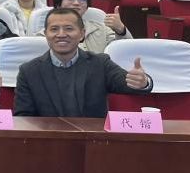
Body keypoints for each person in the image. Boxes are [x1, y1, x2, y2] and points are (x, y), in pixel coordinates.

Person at [13, 7, 152, 117]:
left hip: (93, 140)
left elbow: (129, 84)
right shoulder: (29, 71)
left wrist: (143, 82)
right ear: (46, 34)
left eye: (69, 28)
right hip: (48, 141)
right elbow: (23, 117)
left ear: (82, 34)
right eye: (54, 29)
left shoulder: (100, 64)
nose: (61, 34)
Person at [52, 0, 131, 54]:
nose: (76, 3)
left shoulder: (102, 30)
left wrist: (121, 30)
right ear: (58, 5)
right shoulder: (49, 32)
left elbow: (125, 52)